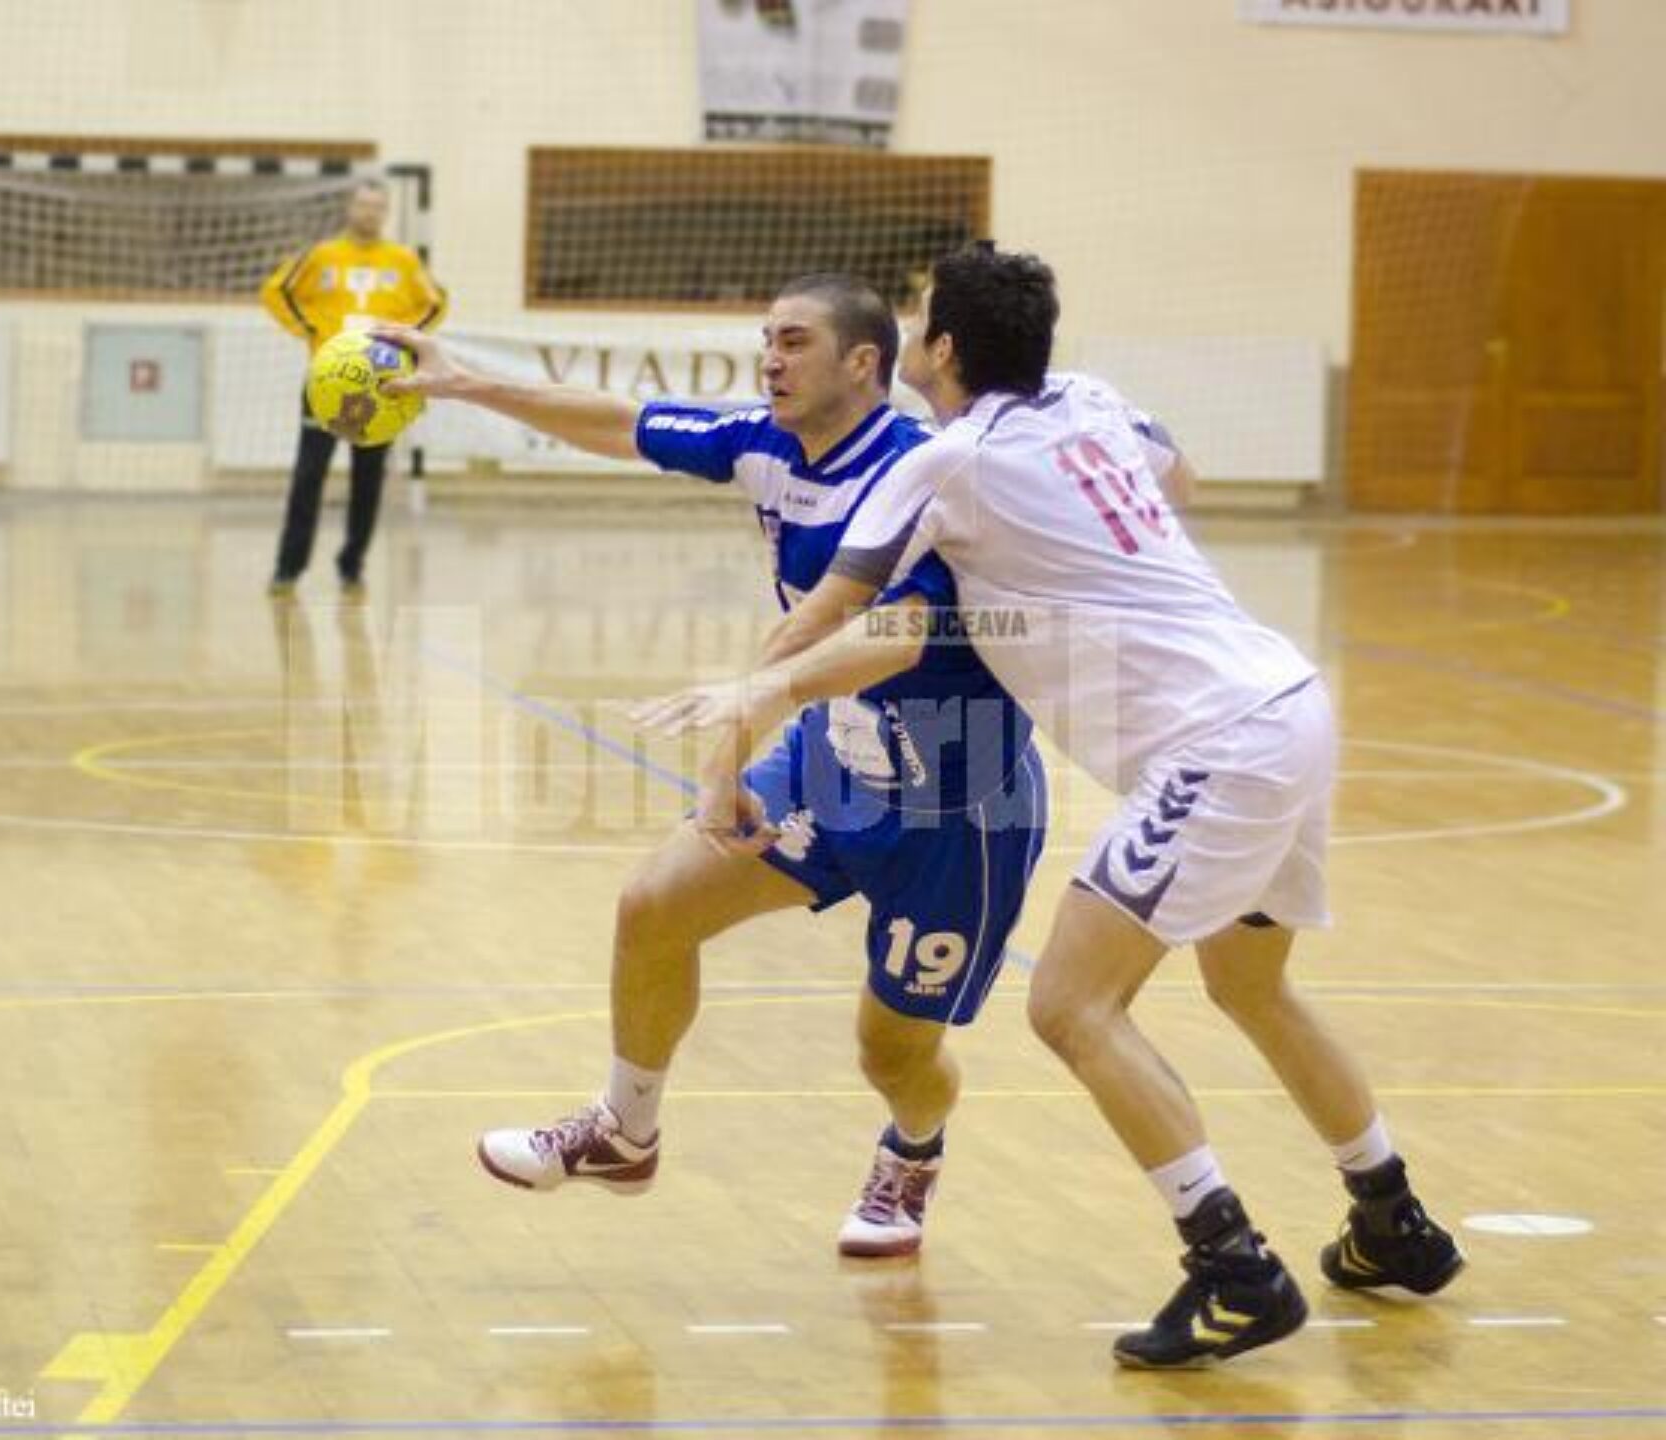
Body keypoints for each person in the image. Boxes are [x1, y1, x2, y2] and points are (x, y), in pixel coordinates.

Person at [637, 245, 1463, 1365]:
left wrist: (740, 723)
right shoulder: (1091, 399)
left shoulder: (945, 463)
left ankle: (1233, 1270)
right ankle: (1392, 1221)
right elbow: (1180, 483)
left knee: (1073, 1007)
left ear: (941, 350)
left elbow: (828, 612)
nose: (911, 329)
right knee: (1250, 985)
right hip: (1288, 701)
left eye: (920, 318)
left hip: (1214, 743)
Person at [373, 272, 1046, 1257]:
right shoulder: (765, 442)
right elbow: (621, 422)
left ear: (864, 362)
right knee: (653, 908)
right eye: (765, 339)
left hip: (954, 800)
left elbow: (890, 639)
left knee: (892, 1051)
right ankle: (624, 1131)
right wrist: (463, 381)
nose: (770, 359)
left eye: (794, 341)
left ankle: (914, 1149)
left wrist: (736, 739)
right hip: (829, 755)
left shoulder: (923, 474)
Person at [260, 180, 447, 597]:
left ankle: (352, 566)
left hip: (382, 385)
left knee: (369, 478)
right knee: (309, 475)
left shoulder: (403, 261)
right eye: (363, 204)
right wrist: (310, 329)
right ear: (350, 207)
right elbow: (277, 290)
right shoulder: (322, 255)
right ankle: (288, 568)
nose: (369, 212)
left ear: (386, 212)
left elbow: (436, 302)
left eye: (378, 206)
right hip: (326, 381)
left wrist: (404, 339)